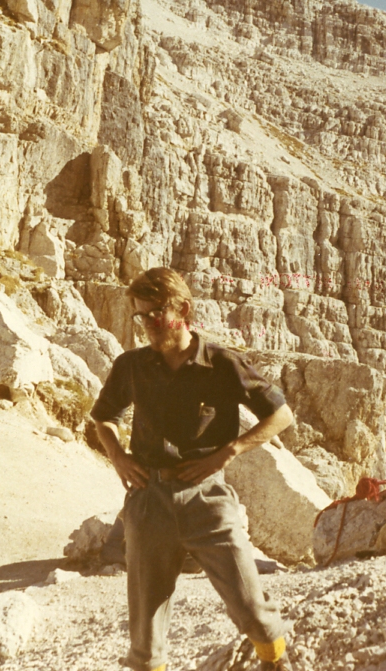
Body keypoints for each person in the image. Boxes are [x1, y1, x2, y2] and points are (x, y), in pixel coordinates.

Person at [91, 267, 296, 671]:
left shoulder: (222, 363)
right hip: (148, 500)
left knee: (252, 609)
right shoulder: (131, 365)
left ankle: (276, 662)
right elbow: (104, 417)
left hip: (207, 498)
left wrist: (229, 451)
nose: (148, 325)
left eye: (156, 314)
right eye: (141, 315)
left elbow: (282, 415)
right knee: (145, 637)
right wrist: (118, 456)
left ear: (183, 309)